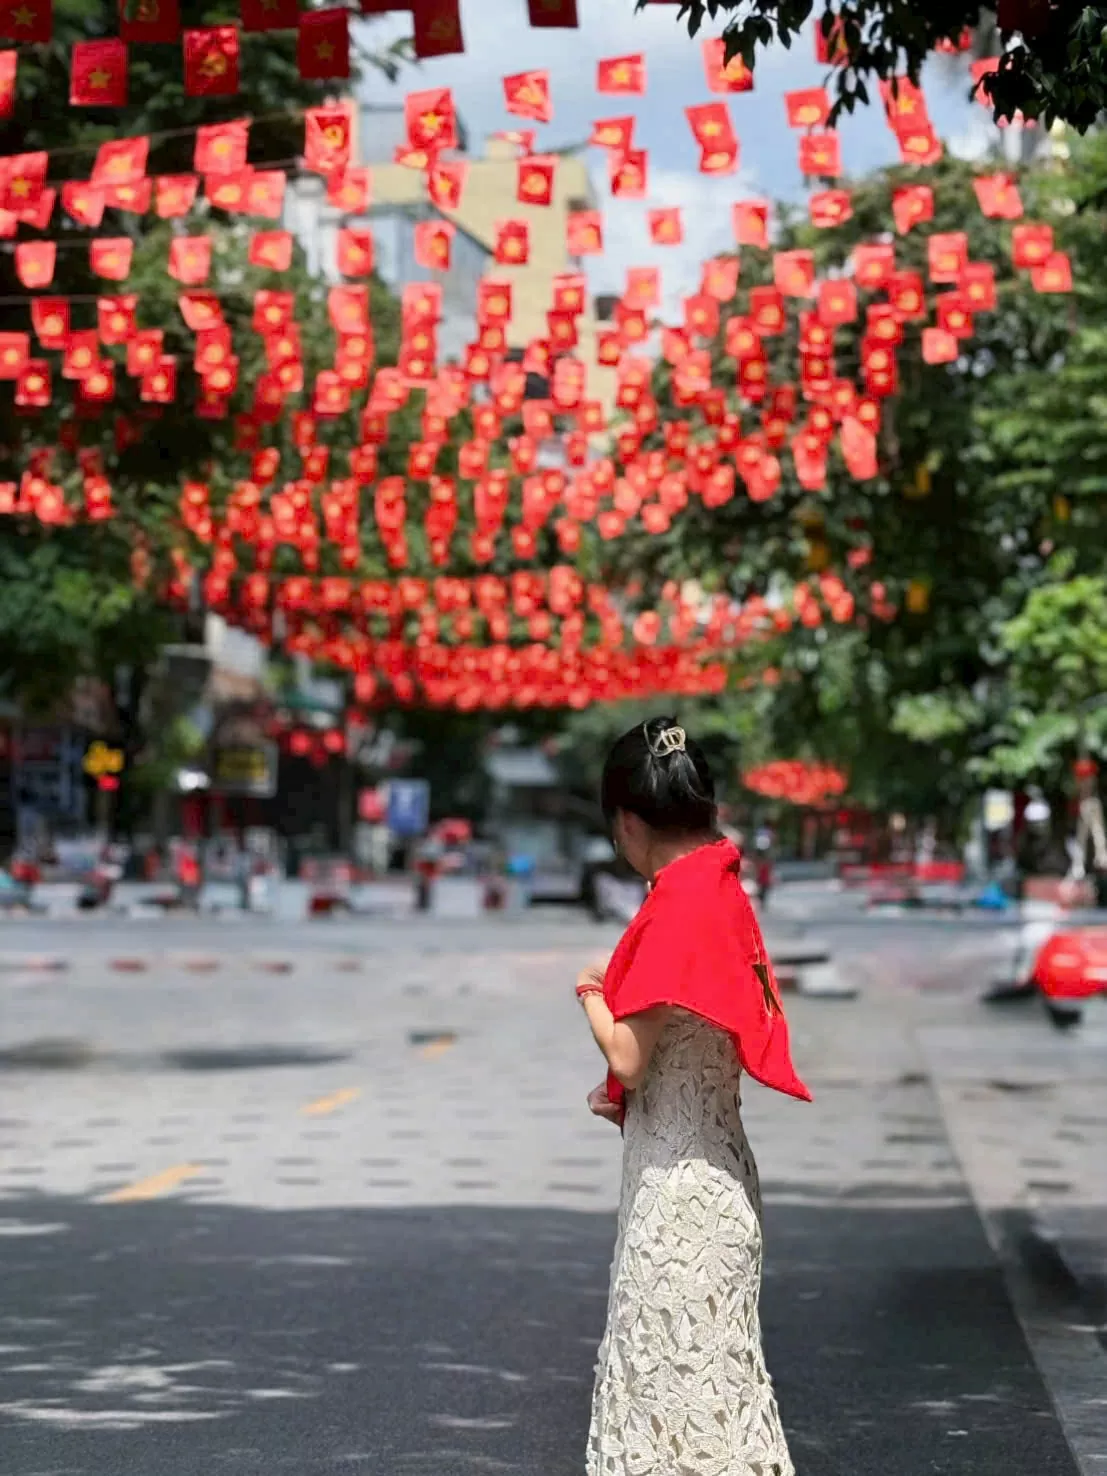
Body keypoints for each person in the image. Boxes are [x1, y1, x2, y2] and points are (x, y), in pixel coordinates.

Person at [576, 716, 811, 1476]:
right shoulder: (718, 891)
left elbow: (629, 1055)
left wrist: (587, 991)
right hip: (710, 1175)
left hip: (679, 1199)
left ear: (629, 820)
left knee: (673, 1417)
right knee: (700, 1406)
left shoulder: (676, 906)